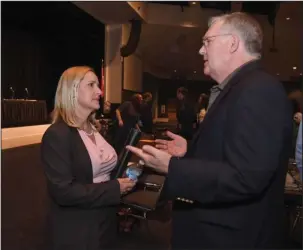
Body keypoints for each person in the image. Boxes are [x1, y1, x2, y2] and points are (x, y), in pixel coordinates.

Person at [127, 12, 293, 249]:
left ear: (233, 43)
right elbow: (231, 156)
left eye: (207, 42)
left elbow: (247, 178)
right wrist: (190, 151)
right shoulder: (241, 88)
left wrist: (172, 167)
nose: (201, 51)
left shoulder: (258, 90)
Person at [41, 66, 136, 250]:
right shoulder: (57, 135)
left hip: (105, 222)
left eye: (98, 86)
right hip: (79, 230)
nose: (100, 92)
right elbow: (63, 192)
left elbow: (101, 170)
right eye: (91, 85)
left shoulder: (95, 129)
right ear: (72, 91)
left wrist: (127, 170)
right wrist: (115, 187)